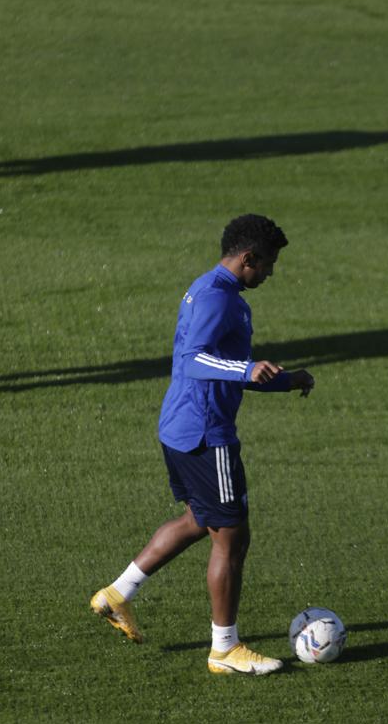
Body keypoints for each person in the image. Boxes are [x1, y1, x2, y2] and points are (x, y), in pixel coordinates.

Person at [91, 214, 314, 675]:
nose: (270, 273)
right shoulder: (218, 297)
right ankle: (225, 649)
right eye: (268, 264)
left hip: (180, 425)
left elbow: (223, 364)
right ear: (247, 258)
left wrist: (283, 380)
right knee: (232, 538)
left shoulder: (210, 288)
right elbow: (195, 360)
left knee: (198, 519)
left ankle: (116, 594)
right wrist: (246, 370)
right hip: (206, 435)